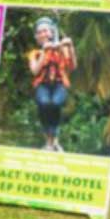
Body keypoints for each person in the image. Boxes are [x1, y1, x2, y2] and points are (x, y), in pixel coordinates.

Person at [28, 17, 76, 152]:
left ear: (51, 33)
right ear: (36, 36)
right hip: (42, 84)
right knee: (43, 103)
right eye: (40, 32)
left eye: (46, 31)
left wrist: (70, 47)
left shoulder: (61, 49)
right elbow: (35, 71)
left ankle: (53, 140)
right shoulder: (35, 53)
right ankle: (50, 141)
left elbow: (72, 66)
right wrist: (44, 52)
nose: (43, 34)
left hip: (59, 83)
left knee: (55, 103)